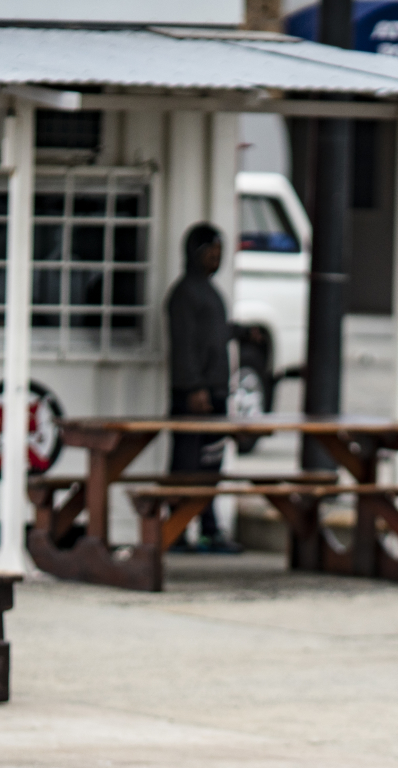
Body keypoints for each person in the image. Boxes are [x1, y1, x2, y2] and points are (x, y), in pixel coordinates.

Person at [165, 221, 238, 552]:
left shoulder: (210, 292)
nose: (216, 258)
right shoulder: (184, 293)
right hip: (194, 394)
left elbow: (214, 336)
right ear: (196, 253)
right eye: (211, 252)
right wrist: (194, 386)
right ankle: (176, 529)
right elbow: (184, 344)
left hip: (216, 391)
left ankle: (208, 527)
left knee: (211, 464)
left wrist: (242, 332)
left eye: (220, 252)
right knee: (186, 464)